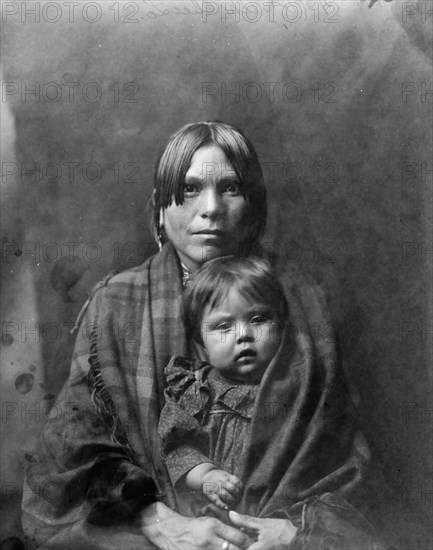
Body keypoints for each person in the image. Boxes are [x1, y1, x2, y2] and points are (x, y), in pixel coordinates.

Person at [22, 121, 382, 550]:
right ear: (159, 208)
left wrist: (294, 531)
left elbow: (341, 452)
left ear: (255, 205)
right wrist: (160, 523)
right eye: (190, 189)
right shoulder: (116, 302)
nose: (210, 208)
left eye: (230, 188)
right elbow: (73, 450)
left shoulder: (302, 299)